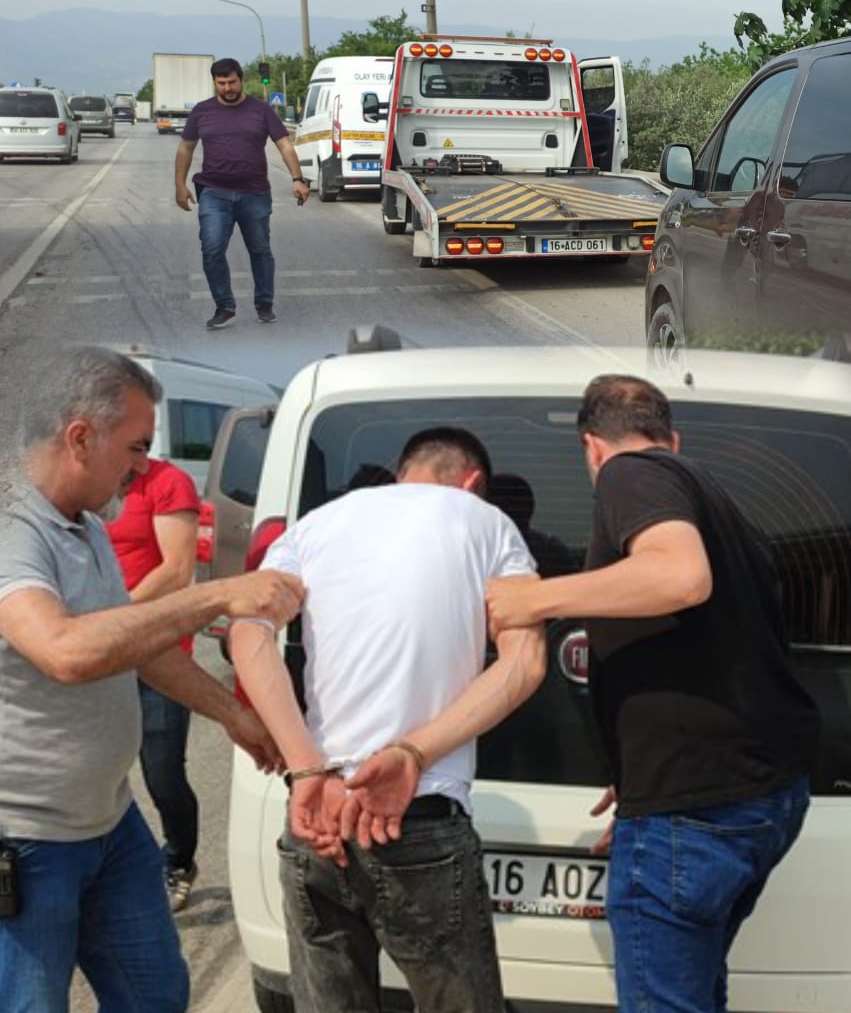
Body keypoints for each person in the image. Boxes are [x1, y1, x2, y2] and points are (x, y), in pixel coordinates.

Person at [487, 374, 820, 1013]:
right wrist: (647, 775)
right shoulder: (727, 514)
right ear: (674, 435)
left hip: (695, 813)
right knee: (696, 992)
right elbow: (721, 648)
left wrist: (537, 598)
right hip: (759, 794)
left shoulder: (632, 472)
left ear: (590, 447)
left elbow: (678, 576)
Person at [0, 348, 298, 1013]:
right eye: (135, 446)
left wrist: (234, 716)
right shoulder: (11, 527)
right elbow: (64, 651)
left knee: (155, 995)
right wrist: (217, 595)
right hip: (25, 838)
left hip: (109, 825)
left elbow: (139, 645)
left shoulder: (87, 527)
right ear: (80, 436)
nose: (143, 465)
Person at [228, 427, 546, 1013]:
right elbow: (525, 662)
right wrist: (414, 752)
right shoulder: (486, 523)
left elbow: (247, 630)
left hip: (316, 822)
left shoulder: (316, 525)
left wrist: (306, 769)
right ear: (472, 483)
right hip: (417, 819)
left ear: (403, 472)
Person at [103, 458, 206, 911]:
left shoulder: (168, 483)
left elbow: (177, 569)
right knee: (97, 773)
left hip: (154, 651)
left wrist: (115, 617)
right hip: (99, 653)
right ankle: (109, 872)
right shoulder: (91, 482)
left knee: (163, 777)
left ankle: (180, 861)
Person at [174, 56, 310, 330]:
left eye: (232, 82)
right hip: (214, 192)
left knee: (260, 250)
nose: (227, 88)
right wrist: (180, 184)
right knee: (211, 249)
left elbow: (284, 145)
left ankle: (264, 303)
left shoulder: (261, 110)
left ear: (241, 79)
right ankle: (224, 306)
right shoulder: (202, 111)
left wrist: (297, 179)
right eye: (221, 83)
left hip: (254, 193)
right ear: (215, 83)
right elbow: (185, 149)